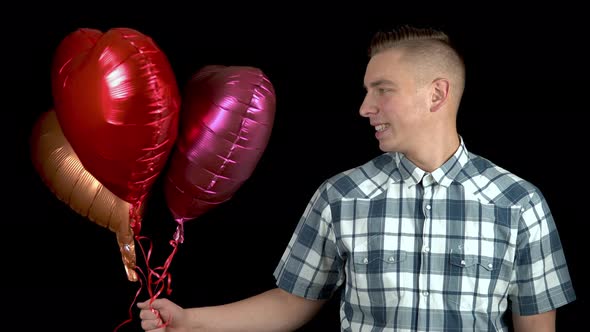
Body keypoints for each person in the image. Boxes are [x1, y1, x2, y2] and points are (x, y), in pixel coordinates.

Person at [137, 24, 576, 331]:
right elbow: (293, 303)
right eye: (367, 92)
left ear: (437, 94)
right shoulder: (340, 196)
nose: (365, 108)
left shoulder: (519, 203)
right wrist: (191, 321)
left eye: (382, 90)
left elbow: (537, 325)